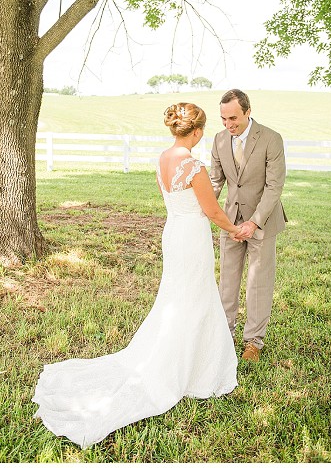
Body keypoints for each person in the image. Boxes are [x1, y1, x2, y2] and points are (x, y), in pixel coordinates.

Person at [33, 103, 243, 448]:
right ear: (197, 131)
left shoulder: (163, 159)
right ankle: (190, 368)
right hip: (191, 235)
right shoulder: (194, 165)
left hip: (174, 230)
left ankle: (187, 357)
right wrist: (235, 231)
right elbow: (213, 210)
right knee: (196, 296)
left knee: (178, 296)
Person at [210, 89, 287, 362]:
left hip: (262, 222)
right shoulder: (219, 140)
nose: (228, 125)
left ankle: (254, 342)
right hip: (230, 222)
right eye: (223, 119)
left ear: (247, 111)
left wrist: (254, 222)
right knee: (227, 281)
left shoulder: (271, 139)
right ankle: (224, 334)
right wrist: (205, 209)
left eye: (233, 118)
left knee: (258, 282)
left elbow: (274, 186)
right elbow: (216, 182)